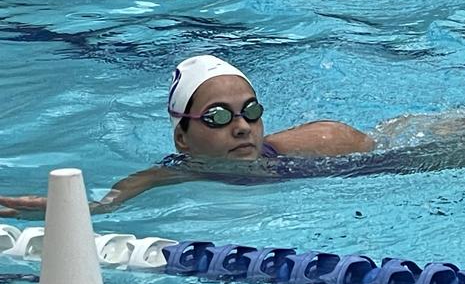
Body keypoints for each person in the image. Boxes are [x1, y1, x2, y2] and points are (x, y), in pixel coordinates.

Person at [0, 55, 376, 219]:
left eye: (251, 110)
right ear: (183, 137)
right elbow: (104, 204)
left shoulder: (326, 142)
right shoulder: (178, 172)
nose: (243, 126)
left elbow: (403, 151)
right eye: (218, 117)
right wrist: (61, 207)